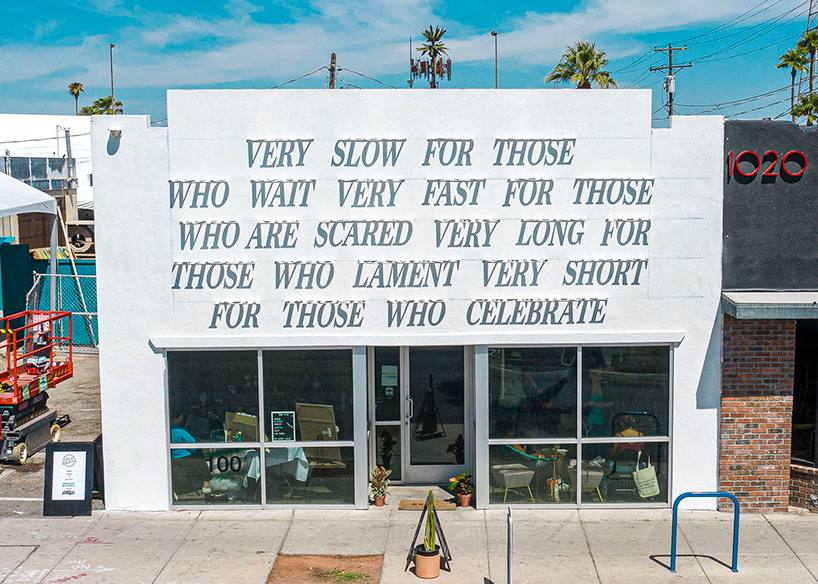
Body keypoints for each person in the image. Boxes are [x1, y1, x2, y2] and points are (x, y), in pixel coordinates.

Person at [170, 408, 211, 497]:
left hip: (172, 459)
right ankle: (206, 485)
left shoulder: (166, 430)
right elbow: (193, 447)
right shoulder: (181, 431)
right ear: (179, 418)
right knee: (201, 461)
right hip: (184, 458)